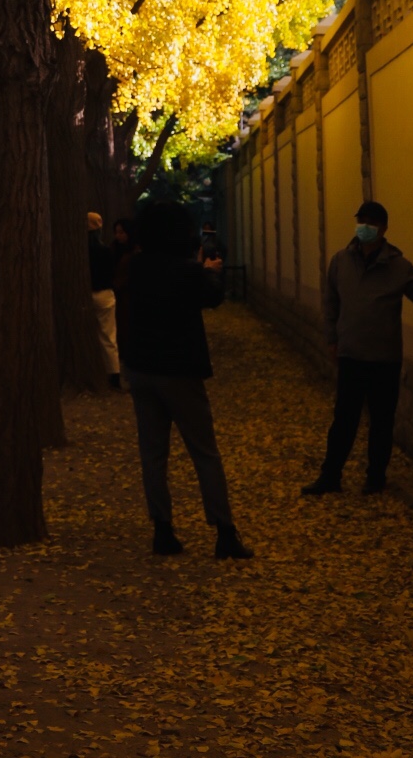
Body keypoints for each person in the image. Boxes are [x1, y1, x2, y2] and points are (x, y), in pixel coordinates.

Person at [118, 199, 252, 560]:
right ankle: (224, 532)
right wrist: (210, 270)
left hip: (141, 366)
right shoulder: (187, 271)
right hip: (180, 369)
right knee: (204, 452)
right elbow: (213, 297)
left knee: (153, 453)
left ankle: (162, 529)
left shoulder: (137, 266)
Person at [303, 199, 413, 498]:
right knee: (344, 420)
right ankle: (330, 475)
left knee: (381, 421)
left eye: (371, 222)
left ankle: (375, 477)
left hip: (384, 358)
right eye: (361, 220)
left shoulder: (398, 266)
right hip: (351, 354)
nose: (365, 227)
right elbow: (331, 303)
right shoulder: (341, 261)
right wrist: (331, 338)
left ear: (384, 228)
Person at [88, 213, 130, 388]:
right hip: (105, 294)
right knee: (108, 335)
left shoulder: (81, 249)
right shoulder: (105, 250)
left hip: (88, 293)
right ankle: (113, 374)